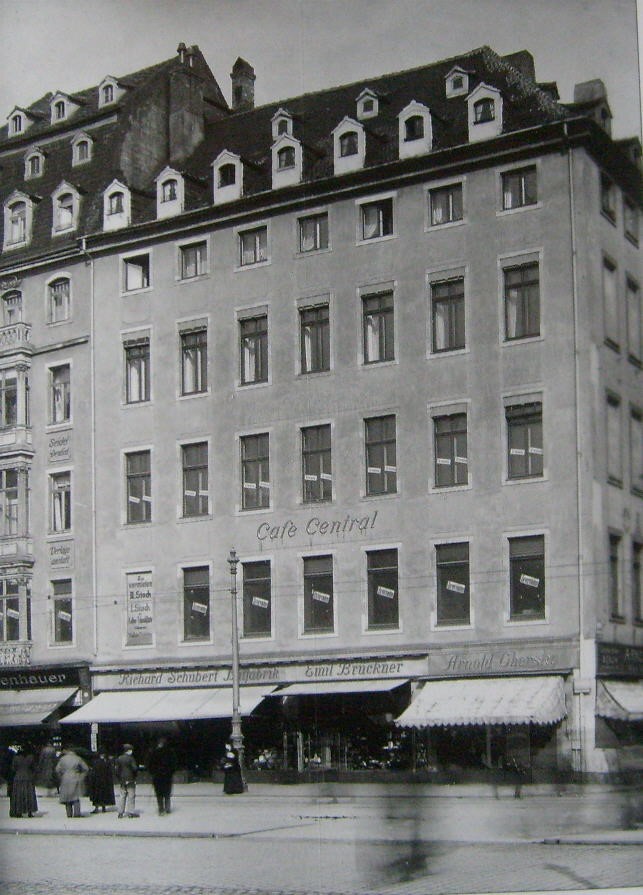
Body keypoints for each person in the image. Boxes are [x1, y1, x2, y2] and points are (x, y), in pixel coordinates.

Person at [55, 745, 89, 818]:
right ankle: (77, 814)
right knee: (75, 797)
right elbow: (86, 769)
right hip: (75, 777)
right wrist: (81, 776)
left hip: (65, 778)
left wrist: (61, 777)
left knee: (67, 798)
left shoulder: (62, 759)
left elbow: (57, 770)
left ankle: (69, 814)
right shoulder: (78, 758)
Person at [147, 736, 177, 815]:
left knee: (159, 794)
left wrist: (152, 773)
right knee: (167, 792)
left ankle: (161, 809)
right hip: (167, 776)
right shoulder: (170, 752)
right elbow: (174, 764)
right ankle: (167, 808)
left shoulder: (154, 753)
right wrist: (171, 772)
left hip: (157, 776)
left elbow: (150, 765)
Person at [9, 744, 38, 818]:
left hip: (18, 778)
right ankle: (30, 811)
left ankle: (18, 811)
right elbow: (34, 768)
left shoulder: (16, 757)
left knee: (19, 796)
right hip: (28, 778)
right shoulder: (31, 757)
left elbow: (13, 768)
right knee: (29, 796)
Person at [115, 743, 139, 818]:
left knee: (122, 796)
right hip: (130, 779)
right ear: (128, 750)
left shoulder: (119, 758)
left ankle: (120, 812)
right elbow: (134, 768)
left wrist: (119, 778)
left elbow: (116, 770)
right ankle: (130, 812)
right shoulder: (131, 758)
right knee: (131, 796)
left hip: (122, 780)